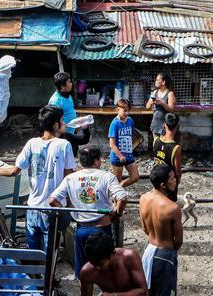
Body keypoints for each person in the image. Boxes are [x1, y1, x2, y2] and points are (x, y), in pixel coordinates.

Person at [0, 105, 75, 253]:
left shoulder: (31, 143)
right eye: (62, 120)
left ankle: (33, 275)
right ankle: (48, 276)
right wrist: (71, 206)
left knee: (32, 252)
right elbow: (69, 179)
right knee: (49, 254)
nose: (64, 123)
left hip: (32, 207)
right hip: (53, 209)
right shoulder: (64, 145)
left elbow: (14, 171)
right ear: (55, 125)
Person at [49, 145, 128, 279]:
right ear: (97, 161)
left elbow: (52, 200)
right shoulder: (106, 176)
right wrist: (117, 213)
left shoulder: (70, 178)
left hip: (82, 231)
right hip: (102, 230)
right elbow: (122, 197)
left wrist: (69, 211)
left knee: (84, 274)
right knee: (107, 272)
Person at [139, 165, 183, 296]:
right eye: (172, 178)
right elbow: (179, 240)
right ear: (163, 185)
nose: (175, 180)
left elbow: (144, 228)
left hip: (149, 250)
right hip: (165, 254)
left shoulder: (143, 199)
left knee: (149, 290)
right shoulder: (172, 208)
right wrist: (170, 248)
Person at [80, 232, 148, 296]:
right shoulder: (87, 272)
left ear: (113, 253)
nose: (97, 268)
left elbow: (144, 291)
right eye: (93, 263)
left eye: (101, 264)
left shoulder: (129, 258)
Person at [109, 99, 140, 188]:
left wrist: (131, 149)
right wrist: (120, 156)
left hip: (128, 155)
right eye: (124, 111)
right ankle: (115, 198)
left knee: (135, 177)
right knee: (116, 181)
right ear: (118, 109)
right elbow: (112, 144)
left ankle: (120, 187)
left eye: (128, 111)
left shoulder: (130, 121)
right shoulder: (114, 124)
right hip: (117, 157)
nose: (127, 113)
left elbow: (132, 136)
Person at [152, 112, 182, 189]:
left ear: (164, 125)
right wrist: (177, 182)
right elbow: (178, 172)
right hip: (168, 184)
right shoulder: (176, 148)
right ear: (177, 126)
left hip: (156, 180)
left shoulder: (156, 140)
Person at [146, 73, 176, 140]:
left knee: (163, 147)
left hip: (165, 125)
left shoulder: (170, 94)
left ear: (163, 82)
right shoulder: (154, 92)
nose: (155, 82)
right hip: (155, 124)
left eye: (157, 80)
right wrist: (151, 102)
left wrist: (162, 103)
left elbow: (171, 109)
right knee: (156, 146)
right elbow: (147, 106)